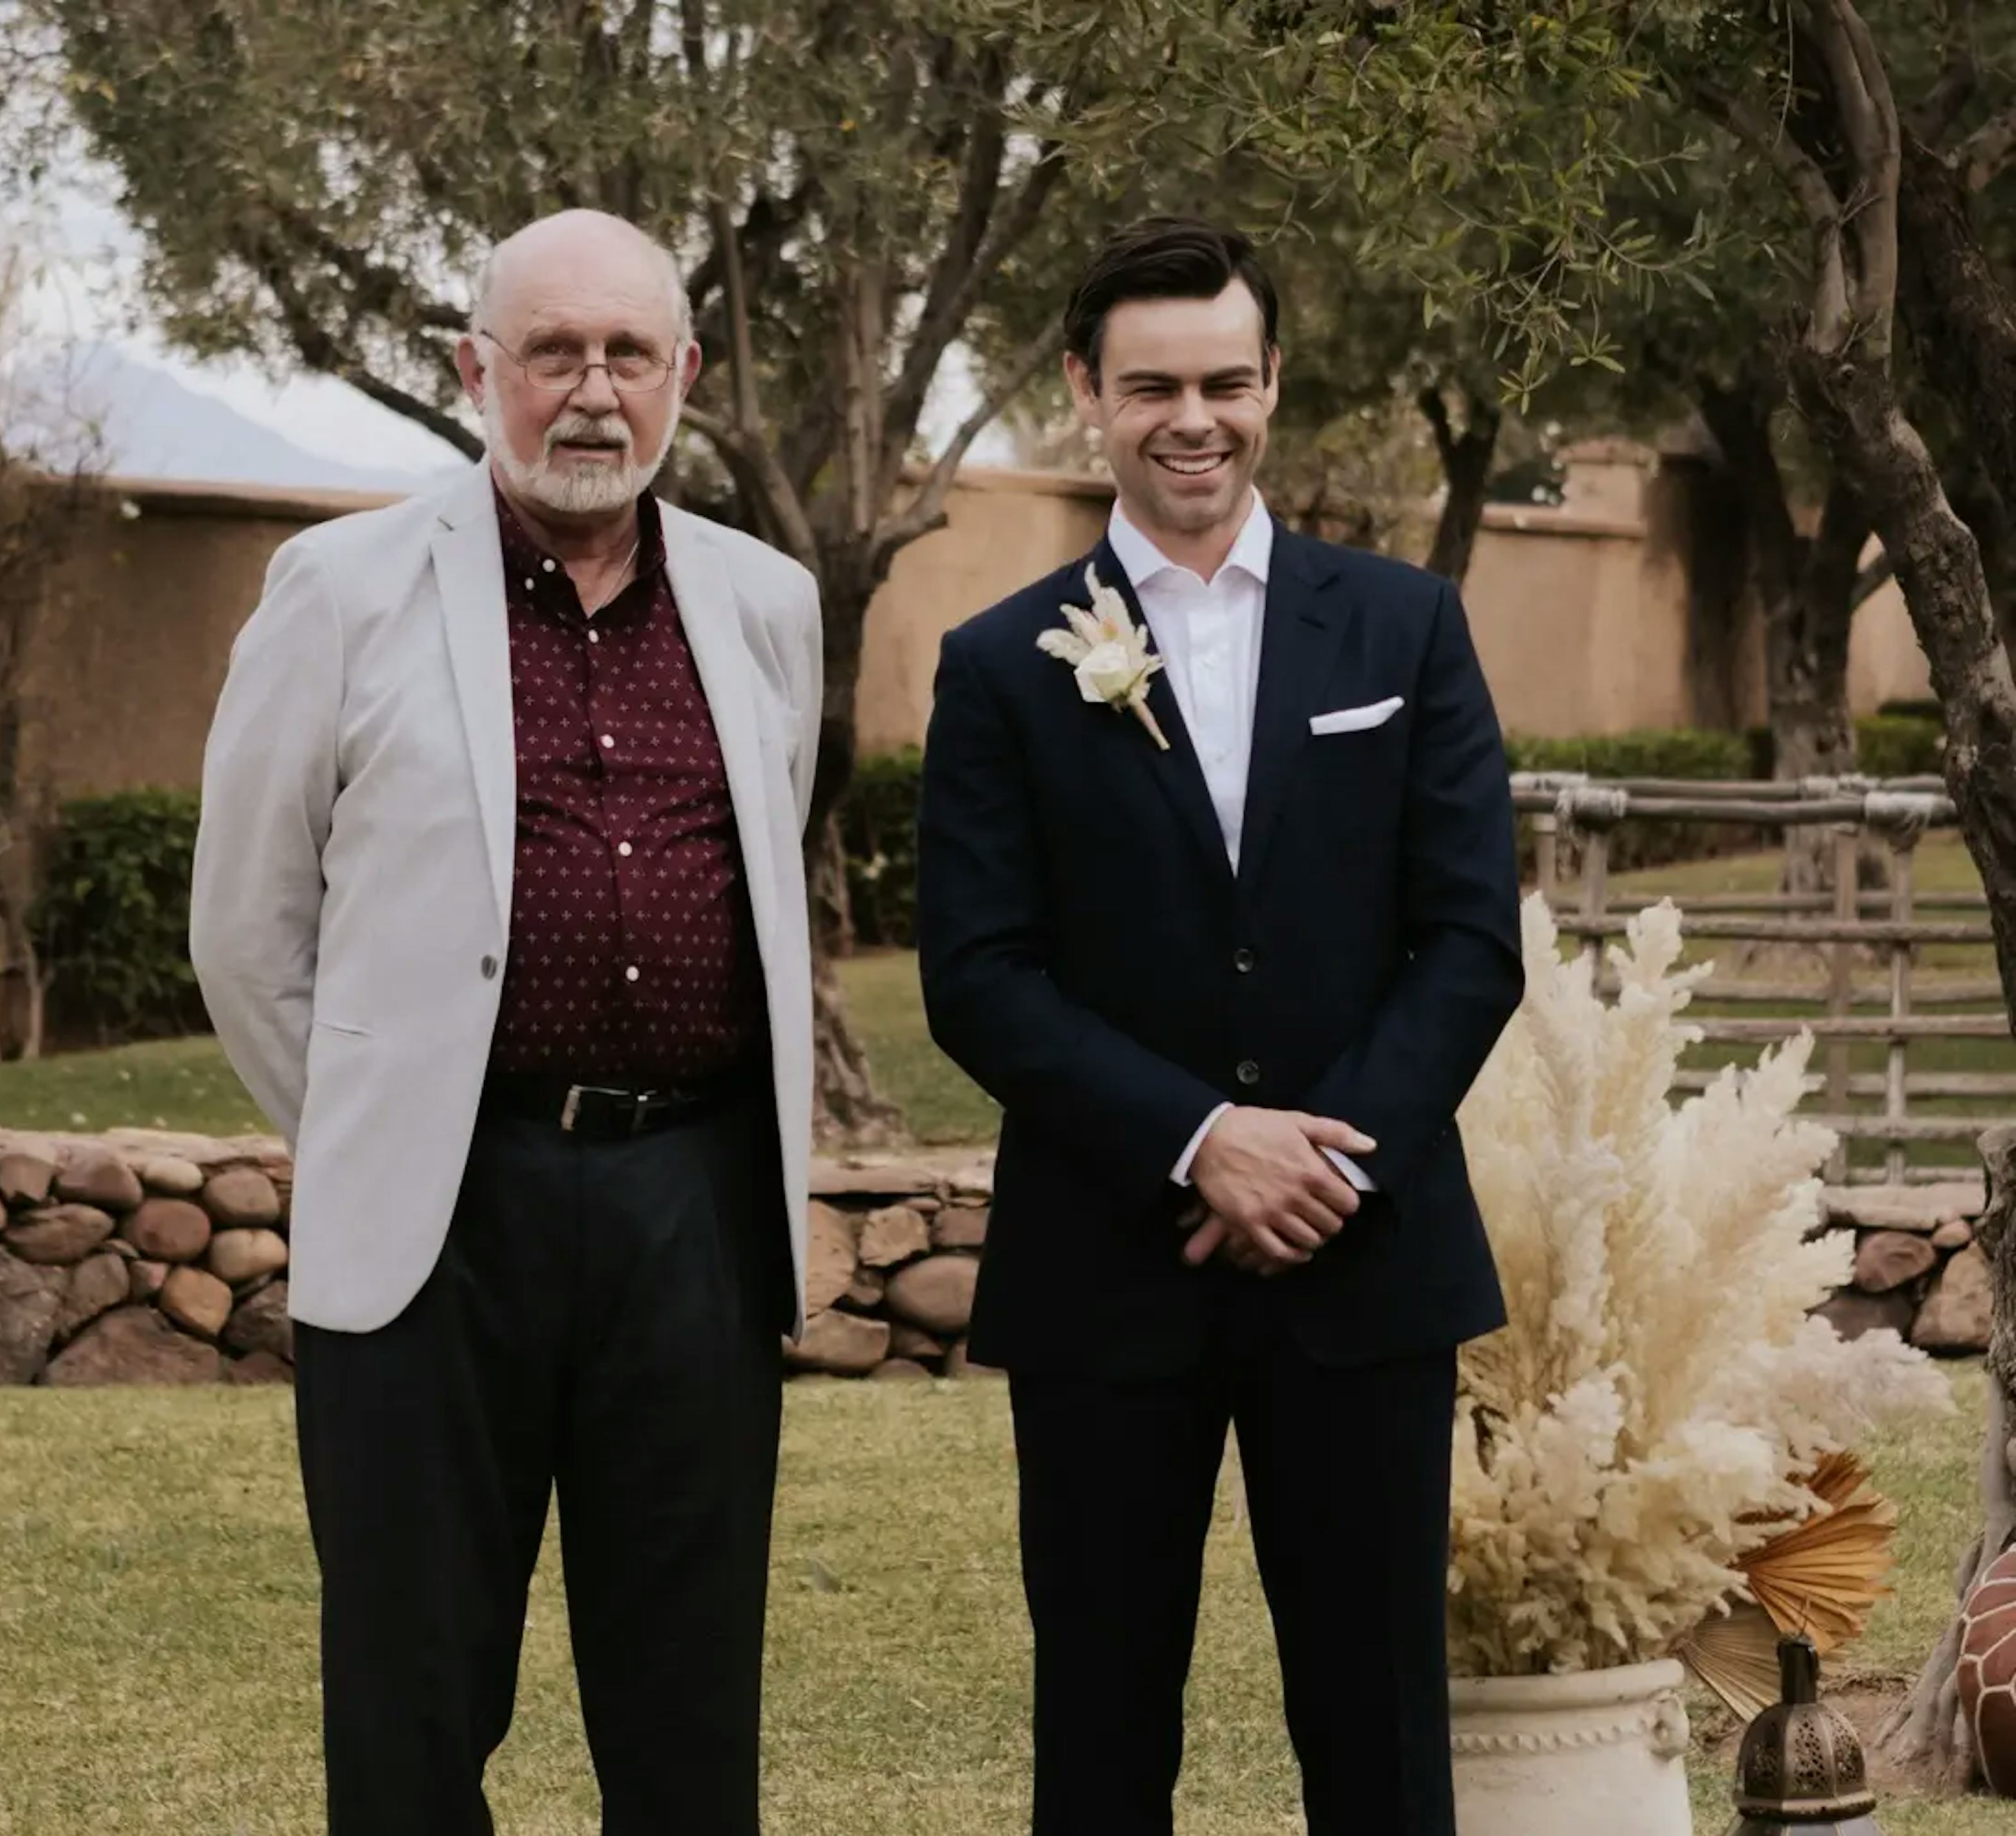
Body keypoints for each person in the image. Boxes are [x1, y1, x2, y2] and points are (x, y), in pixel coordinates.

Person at [191, 208, 823, 1836]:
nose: (592, 390)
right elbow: (248, 934)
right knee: (413, 1701)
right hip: (438, 1216)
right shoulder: (336, 589)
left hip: (695, 1212)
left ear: (686, 375)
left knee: (687, 1707)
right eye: (554, 351)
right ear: (480, 370)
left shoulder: (765, 606)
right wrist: (381, 1127)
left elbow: (769, 870)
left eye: (627, 353)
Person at [915, 216, 1523, 1835]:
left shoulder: (1406, 628)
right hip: (1112, 1269)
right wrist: (1201, 1146)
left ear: (1272, 386)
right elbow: (977, 974)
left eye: (1226, 382)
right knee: (1105, 1731)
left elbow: (1469, 940)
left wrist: (1318, 1163)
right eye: (1152, 386)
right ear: (1084, 394)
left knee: (1381, 1732)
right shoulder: (997, 665)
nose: (1194, 418)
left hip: (1365, 1256)